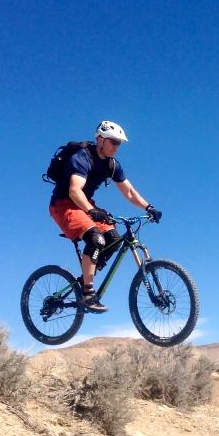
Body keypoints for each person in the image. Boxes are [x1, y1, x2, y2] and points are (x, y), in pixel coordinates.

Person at [49, 120, 162, 312]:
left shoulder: (112, 165)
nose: (117, 147)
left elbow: (129, 192)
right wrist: (92, 210)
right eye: (114, 142)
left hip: (85, 205)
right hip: (63, 204)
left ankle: (87, 276)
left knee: (113, 239)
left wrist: (148, 207)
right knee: (96, 239)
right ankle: (88, 293)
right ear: (100, 139)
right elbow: (74, 191)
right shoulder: (83, 157)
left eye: (119, 143)